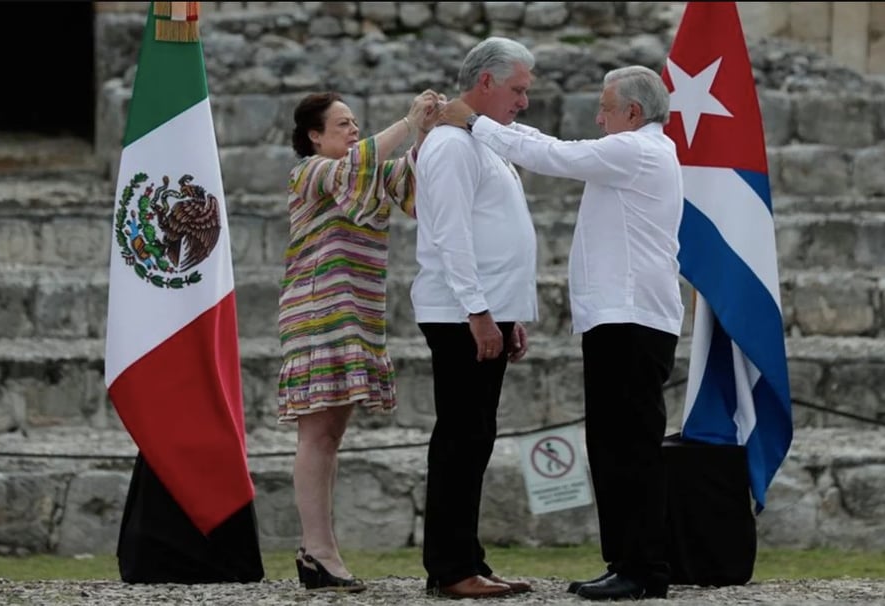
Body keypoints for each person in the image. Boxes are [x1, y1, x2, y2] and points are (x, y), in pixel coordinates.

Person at [439, 65, 684, 601]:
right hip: (619, 319)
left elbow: (552, 156)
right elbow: (551, 143)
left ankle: (644, 568)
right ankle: (626, 560)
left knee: (630, 446)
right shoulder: (633, 151)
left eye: (605, 107)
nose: (598, 117)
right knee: (612, 443)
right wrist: (486, 123)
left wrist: (475, 122)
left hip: (631, 319)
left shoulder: (637, 150)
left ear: (633, 113)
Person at [278, 89, 441, 592]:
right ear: (314, 136)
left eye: (354, 124)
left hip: (357, 315)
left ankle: (318, 550)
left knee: (330, 436)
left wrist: (430, 134)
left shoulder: (367, 170)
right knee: (316, 434)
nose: (353, 132)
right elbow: (361, 164)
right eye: (343, 124)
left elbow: (412, 186)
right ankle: (318, 549)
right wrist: (408, 122)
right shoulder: (308, 172)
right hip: (316, 315)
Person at [410, 37, 540, 599]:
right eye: (518, 89)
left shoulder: (484, 143)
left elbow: (496, 234)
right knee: (463, 438)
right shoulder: (452, 146)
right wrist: (479, 311)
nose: (524, 101)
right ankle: (451, 566)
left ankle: (466, 558)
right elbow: (452, 236)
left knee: (476, 436)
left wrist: (508, 314)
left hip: (484, 310)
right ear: (485, 82)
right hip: (460, 313)